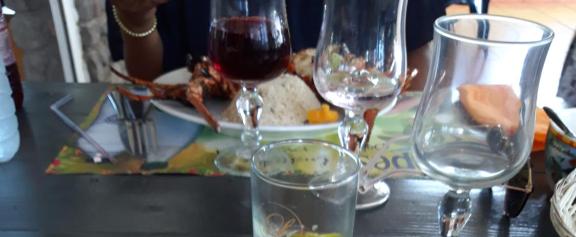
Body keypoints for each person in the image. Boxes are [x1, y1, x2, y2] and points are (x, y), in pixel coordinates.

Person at [106, 0, 448, 89]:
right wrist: (137, 20)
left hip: (349, 146)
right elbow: (150, 79)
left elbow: (414, 59)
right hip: (209, 159)